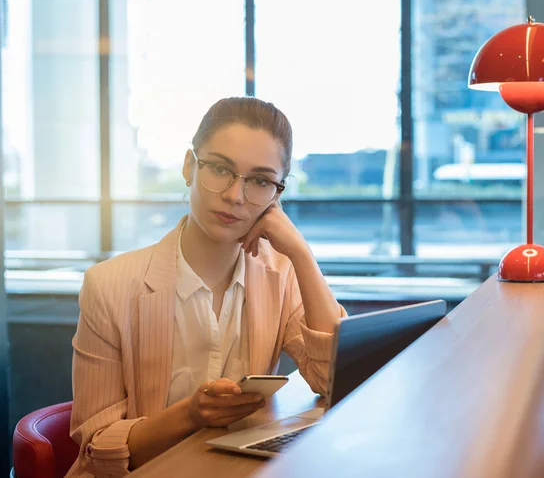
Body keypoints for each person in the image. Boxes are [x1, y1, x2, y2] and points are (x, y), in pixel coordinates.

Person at [66, 97, 346, 478]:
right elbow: (97, 450)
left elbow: (332, 381)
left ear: (277, 195)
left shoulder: (279, 275)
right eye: (219, 169)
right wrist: (190, 415)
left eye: (260, 181)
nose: (235, 195)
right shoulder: (109, 285)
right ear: (188, 166)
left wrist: (301, 254)